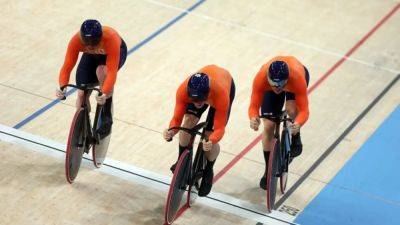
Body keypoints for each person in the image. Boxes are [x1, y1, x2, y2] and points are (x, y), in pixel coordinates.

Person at [163, 65, 235, 197]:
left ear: (207, 93)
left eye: (201, 99)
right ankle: (181, 161)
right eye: (194, 100)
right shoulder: (182, 91)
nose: (198, 102)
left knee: (208, 137)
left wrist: (212, 140)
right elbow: (176, 120)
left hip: (224, 86)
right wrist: (171, 132)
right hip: (206, 88)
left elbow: (219, 129)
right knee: (188, 122)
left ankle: (208, 170)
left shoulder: (220, 94)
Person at [56, 19, 127, 136]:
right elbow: (67, 66)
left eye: (93, 44)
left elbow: (112, 72)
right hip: (91, 57)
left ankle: (106, 115)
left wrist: (104, 93)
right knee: (81, 94)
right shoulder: (76, 40)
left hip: (114, 54)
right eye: (87, 44)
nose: (90, 46)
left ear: (100, 38)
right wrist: (62, 86)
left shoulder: (111, 38)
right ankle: (84, 125)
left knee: (102, 71)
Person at [248, 56, 310, 190]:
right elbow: (253, 106)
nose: (277, 87)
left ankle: (295, 137)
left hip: (294, 81)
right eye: (274, 84)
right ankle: (268, 170)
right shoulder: (261, 78)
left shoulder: (297, 79)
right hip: (277, 83)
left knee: (292, 110)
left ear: (286, 80)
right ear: (268, 78)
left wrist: (298, 124)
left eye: (280, 84)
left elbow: (304, 111)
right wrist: (253, 118)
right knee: (269, 125)